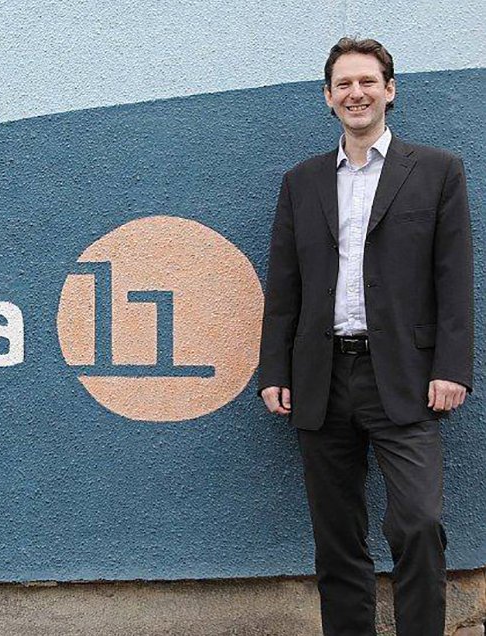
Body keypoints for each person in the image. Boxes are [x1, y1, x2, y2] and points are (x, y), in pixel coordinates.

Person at [259, 38, 473, 635]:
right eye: (344, 84)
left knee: (418, 523)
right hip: (322, 377)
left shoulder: (437, 172)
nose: (357, 93)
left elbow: (454, 277)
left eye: (368, 82)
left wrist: (452, 366)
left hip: (405, 375)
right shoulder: (301, 182)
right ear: (328, 98)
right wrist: (274, 370)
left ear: (389, 90)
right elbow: (284, 284)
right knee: (337, 537)